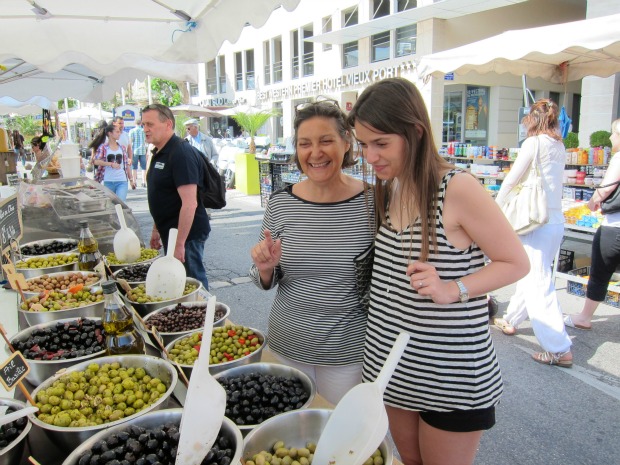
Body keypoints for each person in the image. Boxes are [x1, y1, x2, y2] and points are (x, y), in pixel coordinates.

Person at [347, 78, 529, 465]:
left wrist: (453, 288)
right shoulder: (390, 186)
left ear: (415, 132)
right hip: (392, 369)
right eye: (363, 144)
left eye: (381, 143)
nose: (371, 155)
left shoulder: (457, 187)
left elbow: (516, 261)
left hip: (451, 375)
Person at [249, 99, 375, 405]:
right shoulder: (280, 203)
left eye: (326, 141)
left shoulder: (374, 203)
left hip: (348, 353)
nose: (315, 153)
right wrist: (265, 267)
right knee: (290, 438)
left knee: (343, 439)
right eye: (305, 143)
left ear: (347, 143)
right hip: (286, 344)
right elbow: (264, 277)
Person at [494, 99, 572, 367]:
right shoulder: (558, 145)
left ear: (532, 119)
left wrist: (495, 209)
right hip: (554, 220)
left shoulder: (533, 143)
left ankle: (558, 348)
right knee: (534, 272)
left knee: (537, 279)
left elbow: (511, 180)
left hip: (534, 220)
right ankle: (512, 318)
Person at [142, 104, 210, 290]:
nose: (145, 129)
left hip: (187, 235)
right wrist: (156, 229)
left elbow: (190, 203)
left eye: (150, 124)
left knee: (193, 283)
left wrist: (180, 243)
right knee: (179, 283)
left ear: (168, 124)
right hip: (171, 232)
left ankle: (207, 316)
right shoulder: (159, 152)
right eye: (143, 125)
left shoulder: (180, 152)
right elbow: (162, 195)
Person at [564, 118, 620, 331]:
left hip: (614, 228)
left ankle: (585, 317)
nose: (609, 137)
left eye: (613, 133)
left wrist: (592, 201)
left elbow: (605, 190)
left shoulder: (619, 158)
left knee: (600, 274)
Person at [90, 123, 135, 200]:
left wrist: (131, 180)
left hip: (122, 180)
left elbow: (126, 165)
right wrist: (110, 164)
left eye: (119, 132)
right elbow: (95, 161)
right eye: (117, 132)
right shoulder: (104, 148)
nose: (119, 134)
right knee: (111, 205)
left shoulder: (122, 148)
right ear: (110, 133)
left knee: (121, 202)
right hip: (109, 180)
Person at [129, 119, 147, 187]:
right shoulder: (143, 130)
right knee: (143, 167)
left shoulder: (132, 131)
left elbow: (130, 141)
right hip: (142, 150)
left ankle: (134, 181)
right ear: (141, 124)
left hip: (135, 150)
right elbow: (146, 140)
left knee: (134, 167)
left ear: (135, 123)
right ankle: (143, 182)